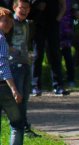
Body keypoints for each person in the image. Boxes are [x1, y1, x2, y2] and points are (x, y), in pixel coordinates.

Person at [0, 7, 24, 145]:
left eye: (10, 20)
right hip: (3, 88)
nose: (9, 24)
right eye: (5, 20)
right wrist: (14, 89)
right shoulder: (1, 39)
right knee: (17, 123)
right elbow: (2, 66)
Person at [9, 0, 36, 137]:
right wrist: (16, 52)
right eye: (21, 7)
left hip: (25, 64)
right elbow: (4, 43)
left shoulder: (27, 24)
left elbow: (25, 43)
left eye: (26, 8)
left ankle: (24, 127)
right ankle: (17, 127)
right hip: (14, 65)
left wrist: (28, 54)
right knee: (17, 98)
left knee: (25, 98)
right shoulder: (9, 23)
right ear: (14, 8)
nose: (24, 10)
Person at [29, 0, 68, 96]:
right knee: (38, 55)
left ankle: (58, 86)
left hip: (53, 24)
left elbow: (63, 5)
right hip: (38, 24)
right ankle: (35, 86)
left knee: (55, 54)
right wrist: (37, 7)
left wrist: (57, 19)